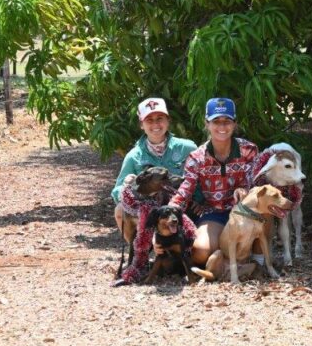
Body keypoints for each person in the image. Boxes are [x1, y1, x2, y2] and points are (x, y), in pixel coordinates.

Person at [168, 98, 259, 268]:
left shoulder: (249, 150)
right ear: (207, 124)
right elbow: (185, 190)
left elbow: (256, 183)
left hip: (245, 212)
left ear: (235, 124)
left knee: (264, 209)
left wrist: (245, 191)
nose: (222, 127)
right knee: (200, 252)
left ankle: (258, 261)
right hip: (215, 214)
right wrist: (168, 212)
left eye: (227, 121)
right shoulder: (197, 157)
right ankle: (229, 257)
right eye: (216, 121)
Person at [111, 97, 197, 233]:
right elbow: (116, 192)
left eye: (160, 119)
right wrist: (129, 187)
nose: (155, 124)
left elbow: (203, 177)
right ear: (141, 124)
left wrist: (199, 198)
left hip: (181, 206)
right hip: (149, 210)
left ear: (168, 120)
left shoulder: (188, 148)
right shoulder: (134, 156)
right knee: (120, 210)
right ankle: (138, 250)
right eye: (149, 120)